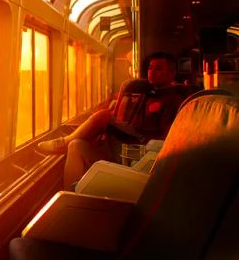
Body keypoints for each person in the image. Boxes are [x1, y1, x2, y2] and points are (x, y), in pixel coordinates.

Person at [37, 51, 189, 188]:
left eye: (158, 68)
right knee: (76, 146)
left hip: (142, 147)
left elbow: (168, 137)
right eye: (150, 67)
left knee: (103, 117)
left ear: (171, 74)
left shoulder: (174, 99)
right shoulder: (147, 93)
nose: (152, 72)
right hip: (124, 146)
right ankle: (71, 196)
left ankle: (63, 142)